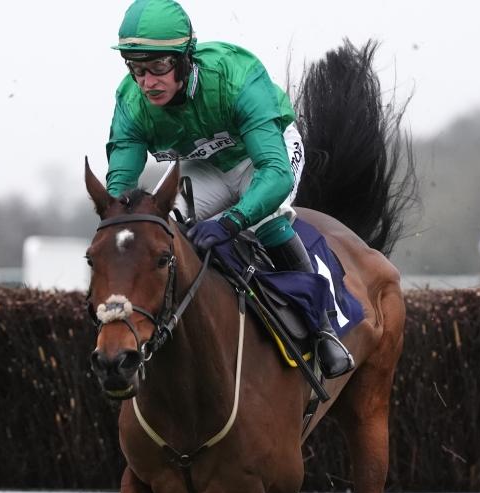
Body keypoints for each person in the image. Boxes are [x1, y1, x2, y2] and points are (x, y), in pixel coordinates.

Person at [104, 0, 353, 378]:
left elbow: (275, 174)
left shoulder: (236, 76)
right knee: (162, 229)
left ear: (185, 60)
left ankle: (322, 330)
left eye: (158, 67)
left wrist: (230, 221)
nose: (147, 82)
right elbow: (120, 189)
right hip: (206, 166)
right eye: (137, 69)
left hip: (264, 157)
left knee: (266, 218)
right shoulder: (131, 103)